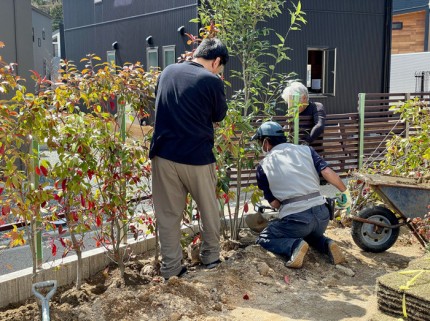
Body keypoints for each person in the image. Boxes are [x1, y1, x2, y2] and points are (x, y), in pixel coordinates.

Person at [149, 38, 229, 279]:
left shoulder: (167, 72)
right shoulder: (211, 80)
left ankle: (171, 269)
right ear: (216, 61)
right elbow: (219, 115)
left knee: (168, 216)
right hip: (197, 157)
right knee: (208, 210)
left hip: (163, 155)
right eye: (220, 67)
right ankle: (211, 258)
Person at [251, 121, 351, 268]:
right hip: (322, 216)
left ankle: (293, 246)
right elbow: (327, 172)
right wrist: (345, 192)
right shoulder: (306, 150)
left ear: (266, 142)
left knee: (265, 237)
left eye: (260, 142)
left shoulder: (263, 167)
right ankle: (327, 244)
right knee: (310, 235)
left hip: (298, 220)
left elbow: (274, 204)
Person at [282, 81, 326, 147]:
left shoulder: (316, 107)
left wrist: (306, 143)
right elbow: (285, 131)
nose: (291, 105)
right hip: (294, 150)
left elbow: (319, 125)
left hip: (311, 150)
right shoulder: (292, 111)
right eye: (289, 102)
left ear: (304, 98)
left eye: (294, 102)